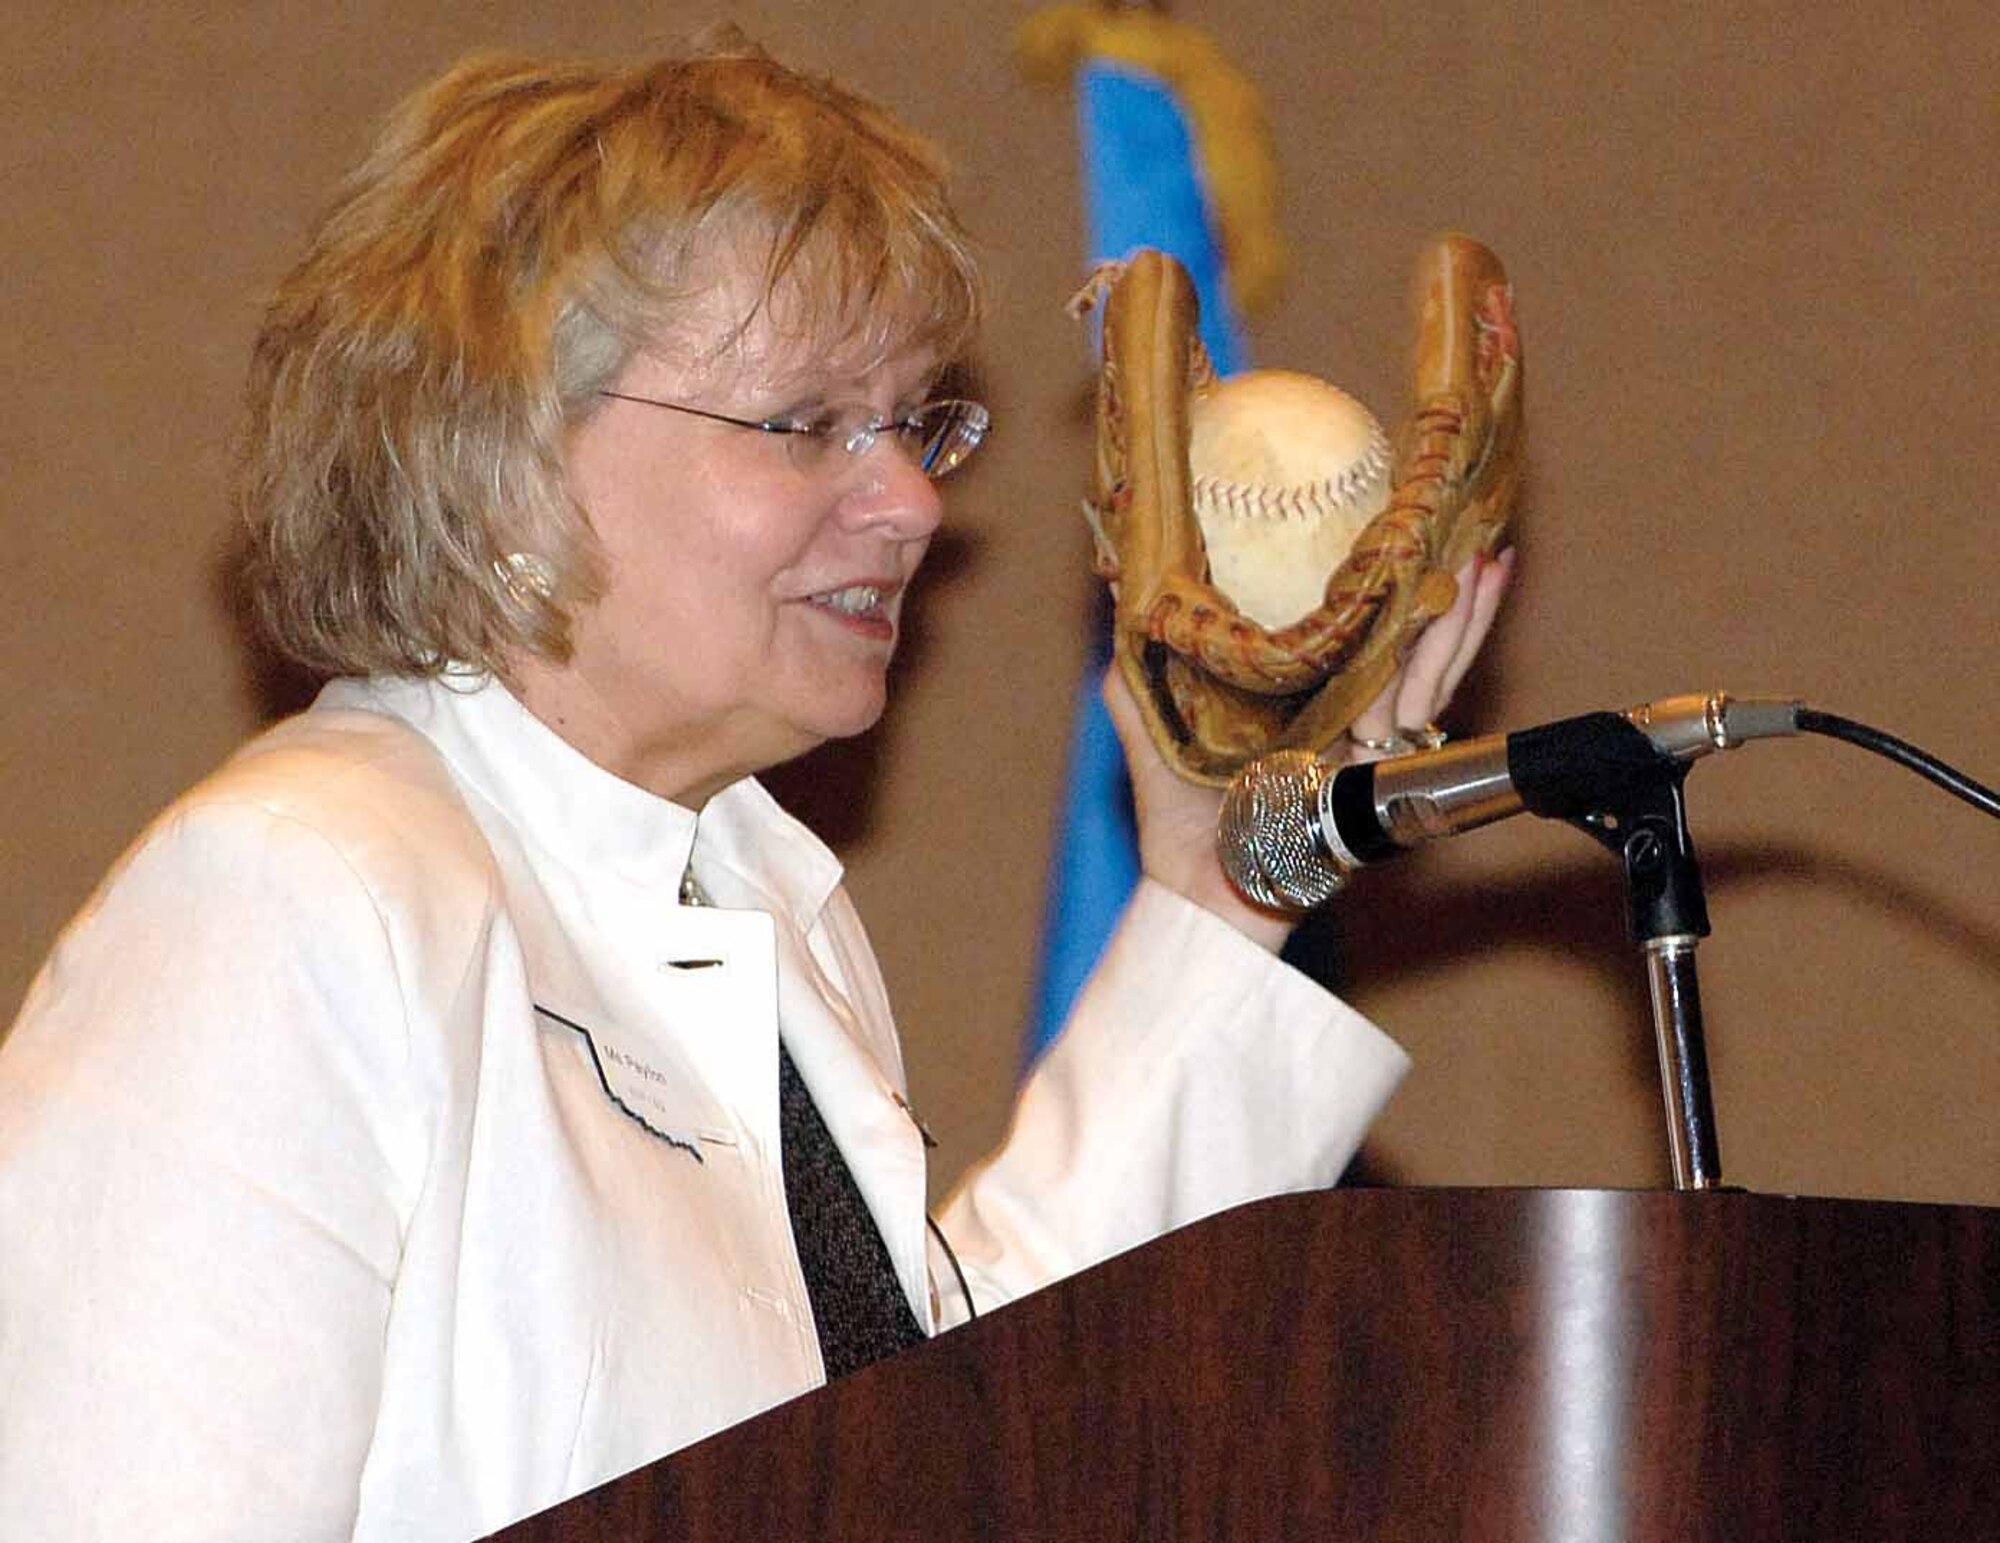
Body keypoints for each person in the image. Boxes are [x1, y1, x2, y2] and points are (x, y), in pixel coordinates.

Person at [0, 37, 1508, 1543]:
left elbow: (967, 1437)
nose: (914, 500)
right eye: (802, 423)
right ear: (506, 464)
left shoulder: (758, 907)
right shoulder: (301, 897)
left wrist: (1231, 892)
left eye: (915, 421)